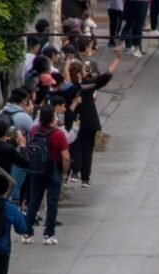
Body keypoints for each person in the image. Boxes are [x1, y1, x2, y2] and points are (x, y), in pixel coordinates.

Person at [67, 50, 122, 187]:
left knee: (76, 147)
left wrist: (67, 65)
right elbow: (107, 76)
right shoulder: (88, 85)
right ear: (81, 72)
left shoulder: (69, 88)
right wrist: (118, 58)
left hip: (74, 121)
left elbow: (67, 80)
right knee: (87, 150)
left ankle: (75, 173)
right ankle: (85, 179)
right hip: (90, 121)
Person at [23, 105, 70, 245]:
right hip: (53, 169)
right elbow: (66, 157)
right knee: (52, 202)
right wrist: (64, 173)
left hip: (36, 170)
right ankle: (48, 234)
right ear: (52, 117)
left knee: (34, 202)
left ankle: (27, 232)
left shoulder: (34, 130)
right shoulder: (58, 134)